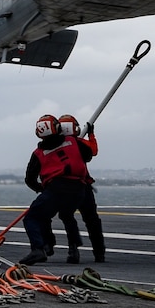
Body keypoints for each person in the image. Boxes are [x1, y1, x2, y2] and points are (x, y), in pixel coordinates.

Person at [18, 114, 93, 266]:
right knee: (67, 215)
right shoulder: (73, 141)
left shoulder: (38, 154)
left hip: (56, 189)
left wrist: (41, 189)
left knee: (32, 217)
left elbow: (29, 179)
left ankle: (41, 247)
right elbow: (89, 155)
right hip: (79, 190)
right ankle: (73, 249)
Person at [57, 113, 107, 263]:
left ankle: (73, 249)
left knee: (66, 216)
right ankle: (99, 252)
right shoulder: (79, 144)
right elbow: (93, 151)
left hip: (63, 188)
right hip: (83, 186)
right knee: (92, 220)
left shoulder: (54, 146)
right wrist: (91, 134)